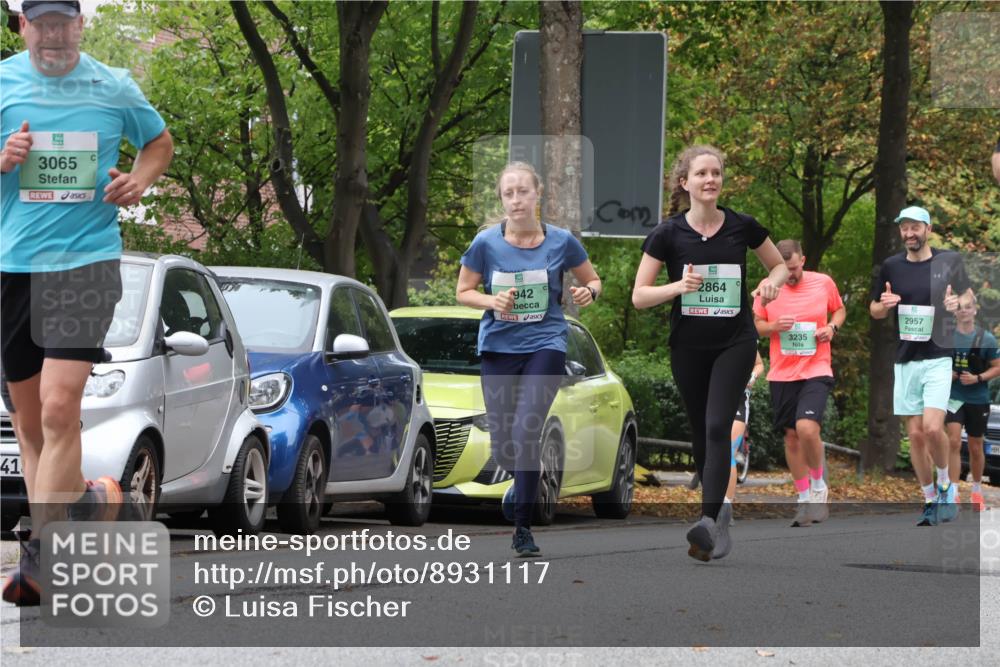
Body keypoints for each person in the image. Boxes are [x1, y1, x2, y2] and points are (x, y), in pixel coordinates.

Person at [1, 0, 173, 606]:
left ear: (80, 25)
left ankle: (43, 557)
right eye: (39, 22)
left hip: (85, 264)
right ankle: (90, 501)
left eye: (63, 22)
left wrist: (140, 180)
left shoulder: (113, 86)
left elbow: (158, 143)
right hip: (12, 269)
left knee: (56, 408)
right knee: (29, 425)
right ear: (22, 27)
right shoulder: (0, 83)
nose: (52, 33)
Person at [633, 144, 787, 562]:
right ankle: (719, 520)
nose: (710, 179)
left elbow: (779, 265)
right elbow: (639, 296)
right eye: (701, 173)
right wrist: (678, 288)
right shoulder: (667, 234)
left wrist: (771, 282)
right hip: (688, 346)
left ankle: (707, 522)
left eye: (716, 172)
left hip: (734, 342)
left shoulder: (742, 226)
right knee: (702, 432)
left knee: (719, 425)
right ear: (686, 183)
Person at [456, 161, 601, 557]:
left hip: (546, 343)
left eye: (523, 191)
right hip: (499, 348)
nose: (516, 199)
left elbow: (591, 278)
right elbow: (464, 291)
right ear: (502, 199)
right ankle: (520, 484)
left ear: (538, 195)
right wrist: (492, 300)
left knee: (525, 431)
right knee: (504, 444)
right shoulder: (486, 243)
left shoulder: (561, 241)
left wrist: (590, 291)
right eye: (508, 193)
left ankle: (522, 527)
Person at [870, 206, 971, 527]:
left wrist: (959, 305)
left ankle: (946, 486)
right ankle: (929, 498)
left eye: (915, 227)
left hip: (939, 355)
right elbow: (874, 309)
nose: (909, 234)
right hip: (906, 358)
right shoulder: (891, 266)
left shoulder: (949, 261)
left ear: (928, 228)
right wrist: (882, 307)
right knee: (914, 436)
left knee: (931, 428)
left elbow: (970, 300)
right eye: (904, 229)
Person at [753, 240, 846, 527]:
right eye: (785, 269)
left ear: (802, 260)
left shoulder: (823, 283)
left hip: (816, 367)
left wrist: (831, 328)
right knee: (791, 437)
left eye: (793, 268)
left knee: (807, 428)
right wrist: (773, 327)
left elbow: (839, 310)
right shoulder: (767, 288)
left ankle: (819, 489)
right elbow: (755, 324)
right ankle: (804, 497)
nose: (790, 274)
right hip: (782, 372)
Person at [945, 291, 1000, 512]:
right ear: (955, 311)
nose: (964, 310)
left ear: (975, 310)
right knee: (955, 441)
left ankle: (977, 491)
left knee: (976, 447)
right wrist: (947, 373)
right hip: (954, 396)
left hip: (978, 398)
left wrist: (978, 378)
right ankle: (953, 493)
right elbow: (937, 362)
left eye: (968, 307)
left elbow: (997, 367)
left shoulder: (986, 338)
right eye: (960, 307)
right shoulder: (948, 336)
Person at [725, 350, 764, 508]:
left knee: (727, 452)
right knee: (713, 453)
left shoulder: (742, 330)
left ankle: (726, 507)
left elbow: (759, 364)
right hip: (713, 399)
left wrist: (752, 377)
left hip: (738, 401)